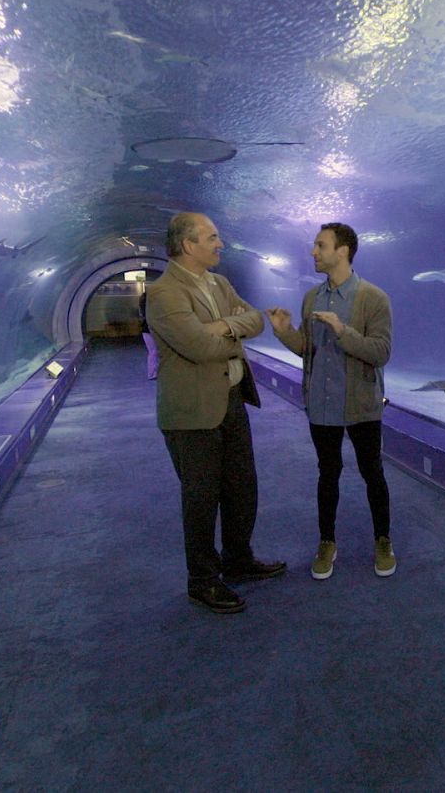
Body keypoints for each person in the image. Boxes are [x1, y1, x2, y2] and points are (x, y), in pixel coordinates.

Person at [147, 212, 286, 614]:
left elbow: (255, 319)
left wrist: (220, 326)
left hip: (230, 401)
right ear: (188, 245)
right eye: (212, 237)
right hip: (191, 413)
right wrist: (231, 335)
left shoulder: (220, 283)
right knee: (202, 497)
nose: (220, 244)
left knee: (242, 486)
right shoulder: (163, 293)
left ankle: (238, 559)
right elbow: (198, 348)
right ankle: (203, 580)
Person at [265, 222, 395, 581]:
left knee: (373, 473)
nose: (313, 252)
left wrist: (343, 331)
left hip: (362, 406)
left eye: (320, 245)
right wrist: (284, 333)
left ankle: (383, 540)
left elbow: (381, 352)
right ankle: (327, 541)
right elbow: (308, 350)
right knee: (328, 474)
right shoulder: (311, 298)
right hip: (321, 407)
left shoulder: (373, 298)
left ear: (343, 251)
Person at [138, 287, 158, 380]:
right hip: (151, 330)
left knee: (152, 352)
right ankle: (153, 373)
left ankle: (152, 373)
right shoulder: (151, 307)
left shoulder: (143, 305)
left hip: (145, 331)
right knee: (154, 352)